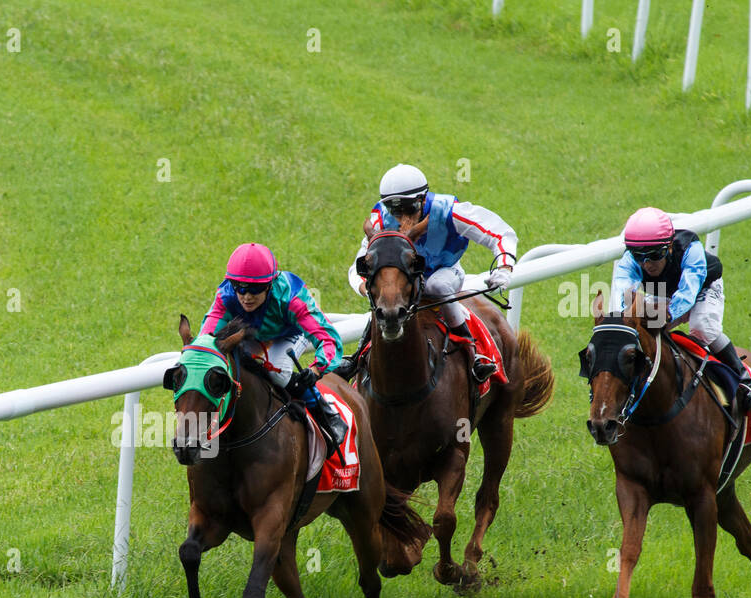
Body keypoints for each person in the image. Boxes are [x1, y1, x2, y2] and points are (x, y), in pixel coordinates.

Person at [347, 163, 517, 381]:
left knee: (437, 286)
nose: (401, 218)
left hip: (445, 272)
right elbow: (358, 266)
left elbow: (500, 232)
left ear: (423, 199)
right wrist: (367, 288)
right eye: (394, 210)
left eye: (408, 209)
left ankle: (472, 352)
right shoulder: (380, 221)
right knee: (385, 297)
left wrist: (504, 266)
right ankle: (358, 356)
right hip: (405, 282)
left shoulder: (449, 211)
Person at [611, 207, 751, 411]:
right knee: (644, 329)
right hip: (663, 290)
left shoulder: (691, 249)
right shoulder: (630, 260)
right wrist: (624, 318)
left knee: (702, 328)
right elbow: (622, 293)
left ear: (670, 247)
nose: (647, 264)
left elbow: (688, 292)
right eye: (639, 256)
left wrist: (669, 314)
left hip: (702, 287)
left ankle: (744, 379)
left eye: (655, 255)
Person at [201, 242, 349, 446]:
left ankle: (325, 412)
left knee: (276, 369)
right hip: (250, 335)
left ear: (270, 284)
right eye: (240, 288)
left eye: (255, 288)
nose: (246, 296)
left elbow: (328, 337)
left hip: (290, 333)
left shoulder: (291, 298)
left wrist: (316, 369)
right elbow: (206, 338)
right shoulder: (226, 295)